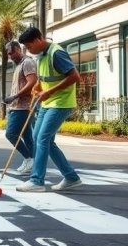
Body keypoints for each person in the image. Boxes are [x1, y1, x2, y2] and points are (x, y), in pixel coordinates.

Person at [16, 27, 82, 192]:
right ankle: (71, 177)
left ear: (38, 40)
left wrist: (49, 91)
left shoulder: (56, 53)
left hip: (61, 103)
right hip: (47, 103)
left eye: (29, 46)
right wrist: (37, 89)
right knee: (40, 138)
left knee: (42, 139)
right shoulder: (40, 56)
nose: (28, 50)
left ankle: (37, 181)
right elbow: (43, 78)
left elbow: (75, 77)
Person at [4, 40, 38, 174]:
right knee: (27, 136)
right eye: (8, 54)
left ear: (19, 48)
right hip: (18, 106)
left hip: (22, 107)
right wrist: (11, 97)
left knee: (11, 134)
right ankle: (33, 162)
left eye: (12, 53)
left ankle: (29, 158)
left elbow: (32, 82)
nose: (10, 56)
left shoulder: (27, 62)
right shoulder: (19, 65)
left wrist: (15, 96)